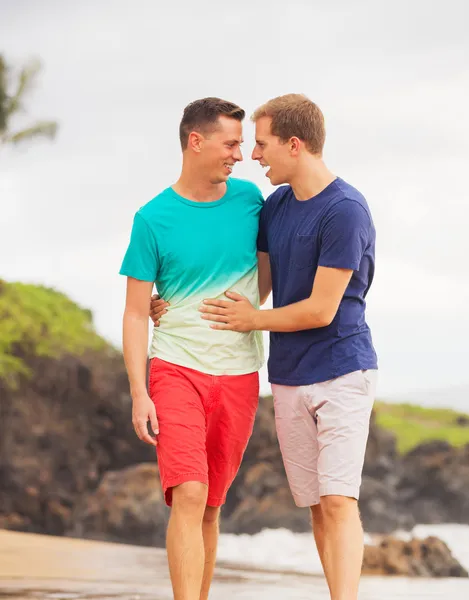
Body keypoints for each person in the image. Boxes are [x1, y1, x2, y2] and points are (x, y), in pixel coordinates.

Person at [151, 94, 378, 600]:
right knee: (318, 505)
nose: (254, 155)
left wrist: (253, 320)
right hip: (288, 374)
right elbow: (255, 281)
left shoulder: (345, 211)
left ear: (294, 145)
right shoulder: (274, 206)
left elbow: (321, 309)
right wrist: (169, 302)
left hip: (342, 368)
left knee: (340, 501)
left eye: (263, 143)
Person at [119, 97, 271, 600]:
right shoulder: (153, 219)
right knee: (188, 493)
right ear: (196, 141)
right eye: (231, 143)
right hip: (175, 368)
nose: (241, 154)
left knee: (210, 506)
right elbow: (137, 311)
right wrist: (140, 392)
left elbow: (267, 273)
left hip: (240, 373)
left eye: (244, 144)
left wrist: (249, 308)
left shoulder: (251, 201)